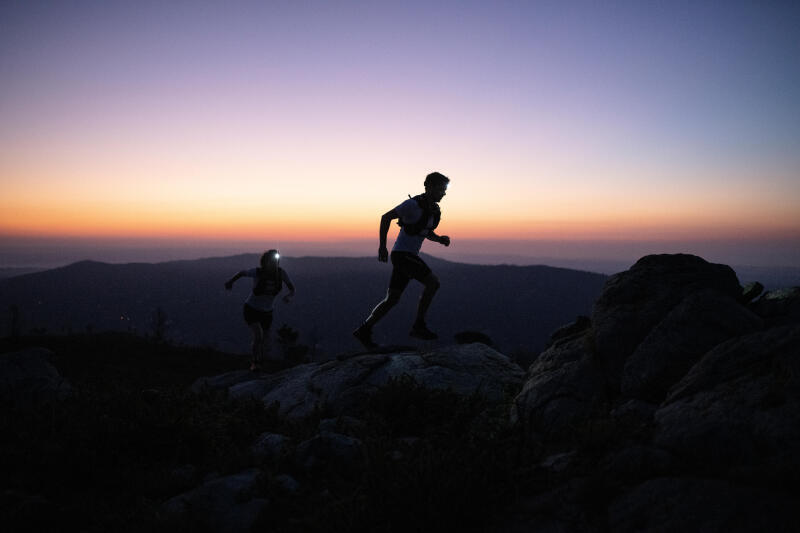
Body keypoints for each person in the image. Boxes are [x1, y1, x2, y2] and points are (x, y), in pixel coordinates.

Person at [353, 171, 451, 348]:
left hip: (408, 257)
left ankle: (364, 330)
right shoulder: (412, 204)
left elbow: (424, 231)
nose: (443, 193)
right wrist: (382, 246)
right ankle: (419, 326)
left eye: (444, 190)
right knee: (433, 283)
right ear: (429, 187)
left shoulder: (433, 210)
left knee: (392, 299)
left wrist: (440, 239)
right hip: (402, 255)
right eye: (441, 189)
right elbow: (386, 217)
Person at [225, 249, 295, 370]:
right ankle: (254, 362)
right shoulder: (258, 272)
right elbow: (242, 273)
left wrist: (288, 296)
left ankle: (261, 361)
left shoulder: (281, 273)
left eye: (276, 261)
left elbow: (292, 288)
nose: (274, 264)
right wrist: (230, 282)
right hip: (251, 309)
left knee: (266, 340)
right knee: (258, 335)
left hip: (267, 312)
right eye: (271, 261)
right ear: (265, 262)